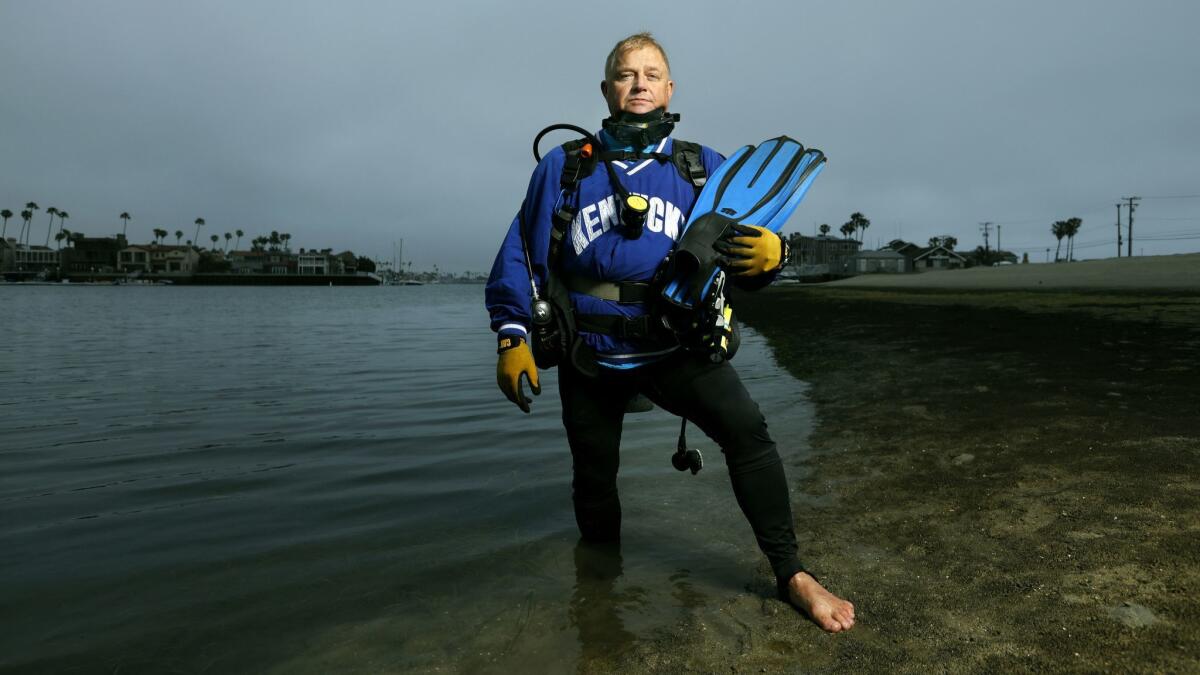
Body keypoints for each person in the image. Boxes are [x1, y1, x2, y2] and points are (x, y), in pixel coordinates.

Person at [484, 32, 855, 632]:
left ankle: (792, 573)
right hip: (589, 349)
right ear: (606, 90)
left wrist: (772, 258)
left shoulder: (703, 165)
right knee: (593, 471)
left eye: (650, 74)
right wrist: (511, 334)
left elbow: (744, 248)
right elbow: (521, 255)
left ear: (669, 88)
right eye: (626, 75)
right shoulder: (564, 168)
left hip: (676, 341)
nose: (638, 84)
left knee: (748, 432)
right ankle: (600, 586)